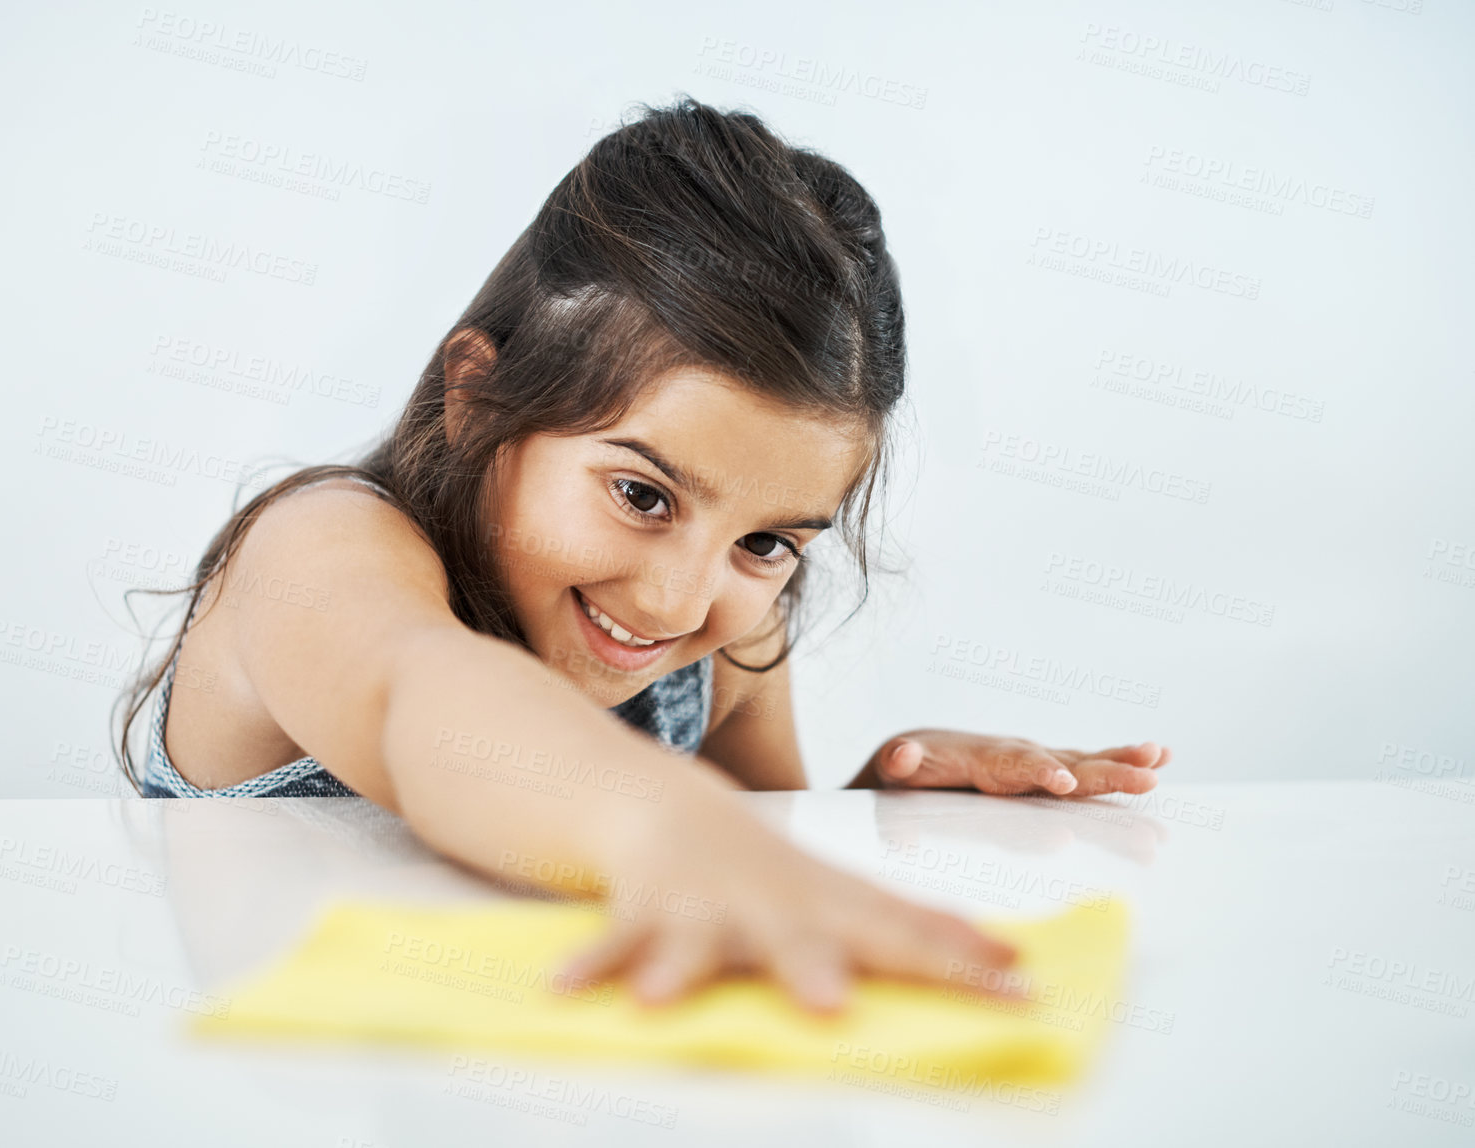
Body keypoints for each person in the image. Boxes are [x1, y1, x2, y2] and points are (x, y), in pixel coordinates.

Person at [113, 97, 1170, 1011]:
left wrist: (883, 811)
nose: (677, 598)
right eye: (641, 493)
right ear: (478, 397)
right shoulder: (317, 550)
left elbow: (749, 888)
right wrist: (664, 820)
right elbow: (423, 701)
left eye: (764, 541)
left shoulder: (729, 647)